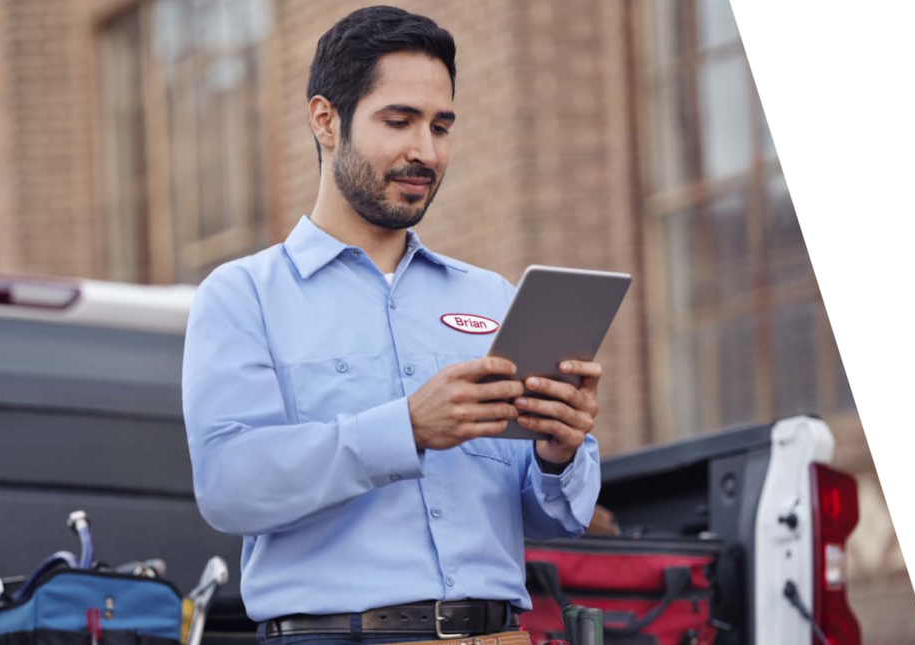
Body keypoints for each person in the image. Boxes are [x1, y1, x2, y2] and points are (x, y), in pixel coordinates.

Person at [181, 6, 602, 645]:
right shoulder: (243, 297)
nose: (424, 152)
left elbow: (554, 520)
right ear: (326, 120)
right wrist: (404, 429)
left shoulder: (493, 297)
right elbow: (229, 488)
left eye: (441, 126)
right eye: (398, 121)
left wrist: (558, 452)